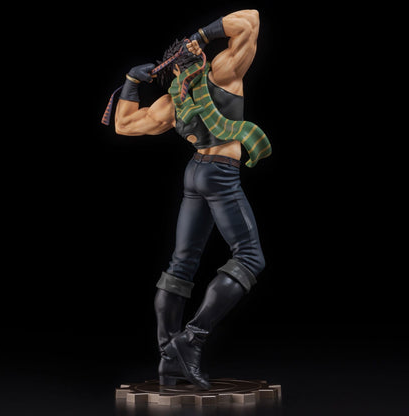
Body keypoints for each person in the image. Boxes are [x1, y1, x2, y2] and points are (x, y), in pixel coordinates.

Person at [114, 9, 271, 390]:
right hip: (220, 174)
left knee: (182, 264)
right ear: (198, 57)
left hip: (195, 173)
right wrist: (202, 34)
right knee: (250, 257)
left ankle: (168, 360)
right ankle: (191, 339)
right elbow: (249, 20)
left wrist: (131, 83)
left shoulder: (172, 104)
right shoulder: (224, 73)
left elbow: (123, 125)